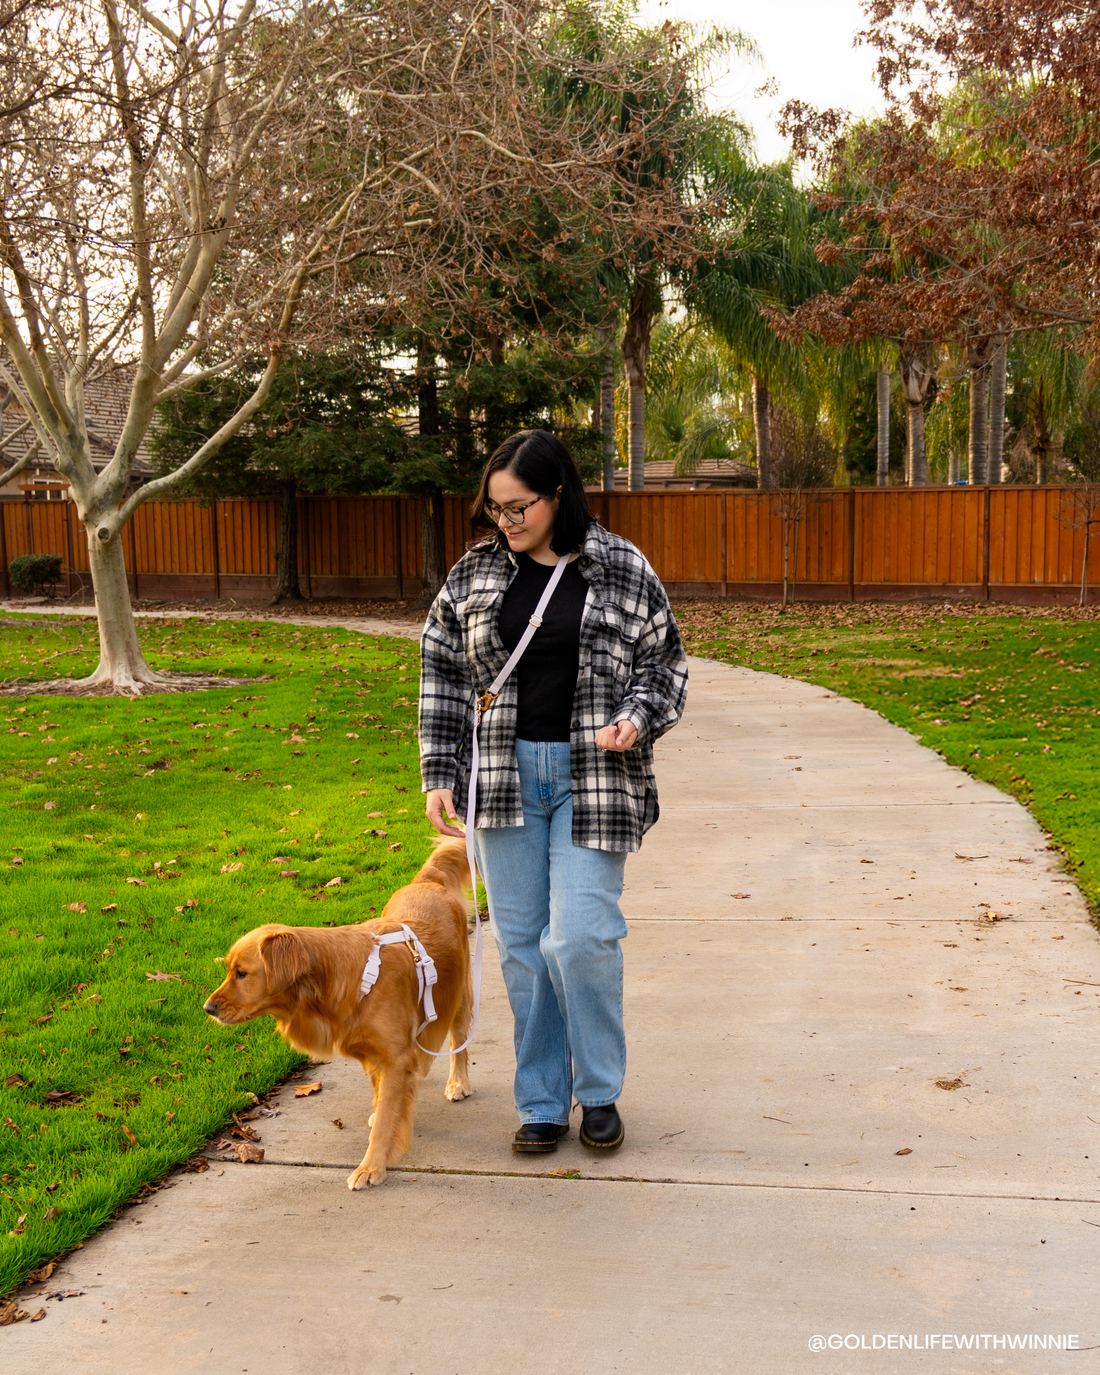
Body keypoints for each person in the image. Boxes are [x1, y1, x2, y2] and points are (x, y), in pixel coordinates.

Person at [418, 429, 688, 1155]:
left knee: (580, 937)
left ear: (558, 492)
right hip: (504, 780)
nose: (504, 521)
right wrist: (439, 769)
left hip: (593, 779)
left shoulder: (620, 566)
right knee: (523, 950)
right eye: (495, 508)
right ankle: (542, 1099)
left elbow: (664, 665)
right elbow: (442, 671)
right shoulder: (473, 574)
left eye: (519, 507)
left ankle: (598, 1090)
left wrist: (636, 717)